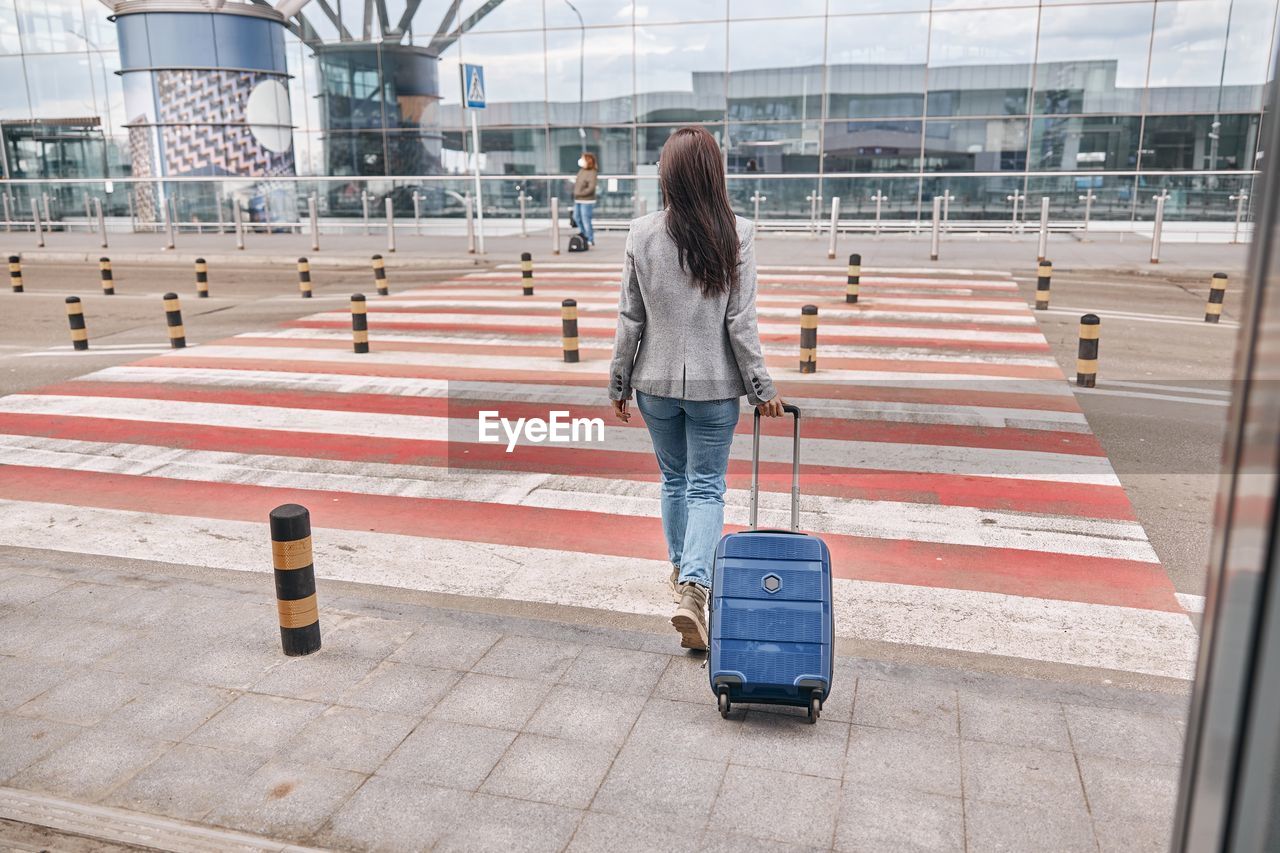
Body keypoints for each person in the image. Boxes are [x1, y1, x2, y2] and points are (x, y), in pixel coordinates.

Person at [607, 126, 785, 652]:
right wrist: (761, 387)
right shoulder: (738, 233)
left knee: (674, 481)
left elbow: (629, 319)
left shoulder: (641, 233)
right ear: (715, 172)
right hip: (714, 386)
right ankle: (694, 589)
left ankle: (684, 576)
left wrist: (618, 382)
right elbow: (740, 322)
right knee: (706, 486)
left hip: (654, 383)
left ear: (667, 174)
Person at [573, 152, 598, 247]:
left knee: (586, 220)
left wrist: (580, 193)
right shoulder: (581, 170)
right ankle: (584, 235)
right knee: (576, 218)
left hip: (587, 200)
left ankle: (590, 239)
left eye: (583, 159)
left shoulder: (592, 172)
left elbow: (591, 188)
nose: (580, 160)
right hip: (578, 199)